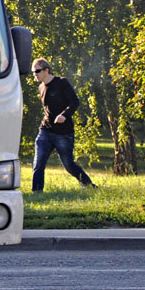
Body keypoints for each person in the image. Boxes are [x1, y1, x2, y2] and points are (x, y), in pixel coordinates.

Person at [30, 58, 96, 192]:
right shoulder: (41, 87)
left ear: (46, 70)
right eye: (33, 72)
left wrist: (64, 115)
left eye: (37, 71)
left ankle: (89, 186)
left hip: (63, 133)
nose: (35, 74)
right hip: (46, 130)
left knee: (69, 165)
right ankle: (36, 192)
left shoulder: (61, 83)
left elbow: (74, 102)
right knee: (38, 164)